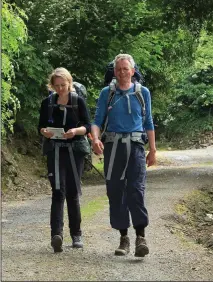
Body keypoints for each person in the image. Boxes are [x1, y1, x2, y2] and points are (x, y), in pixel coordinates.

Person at [91, 54, 156, 257]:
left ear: (133, 71)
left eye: (125, 69)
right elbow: (97, 120)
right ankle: (123, 238)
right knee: (116, 191)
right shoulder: (107, 93)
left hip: (136, 147)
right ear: (114, 71)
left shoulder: (142, 92)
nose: (122, 72)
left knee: (136, 190)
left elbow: (149, 123)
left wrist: (152, 150)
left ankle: (141, 236)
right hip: (113, 146)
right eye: (118, 69)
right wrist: (95, 139)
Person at [38, 67, 91, 253]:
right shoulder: (48, 103)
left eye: (63, 85)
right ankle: (56, 235)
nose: (60, 89)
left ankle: (76, 234)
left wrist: (75, 131)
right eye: (57, 86)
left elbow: (88, 126)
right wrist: (45, 131)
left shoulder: (78, 101)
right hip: (54, 150)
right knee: (57, 191)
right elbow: (41, 126)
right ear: (51, 86)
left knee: (73, 192)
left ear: (70, 83)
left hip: (74, 150)